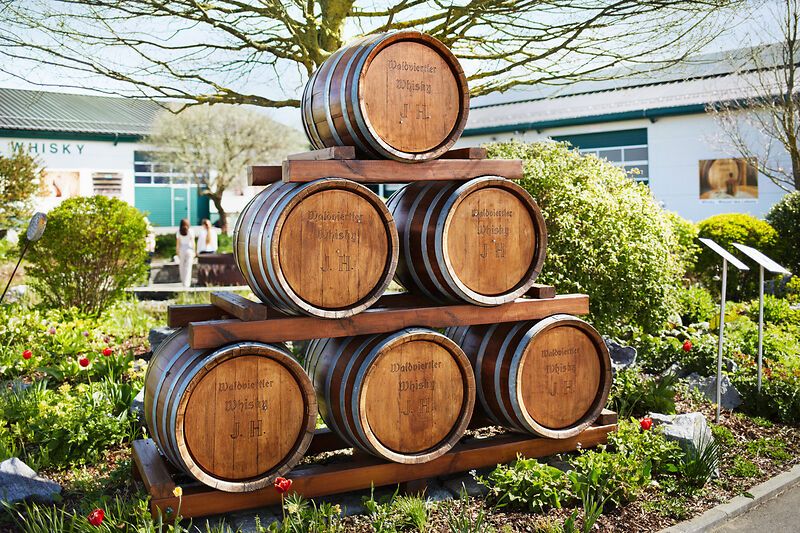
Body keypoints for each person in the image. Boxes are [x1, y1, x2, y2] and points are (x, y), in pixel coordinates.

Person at [176, 219, 195, 288]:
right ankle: (187, 283)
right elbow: (193, 242)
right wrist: (194, 251)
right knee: (188, 267)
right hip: (189, 249)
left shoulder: (178, 232)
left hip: (182, 250)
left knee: (181, 266)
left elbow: (178, 243)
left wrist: (177, 251)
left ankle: (183, 282)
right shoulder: (191, 231)